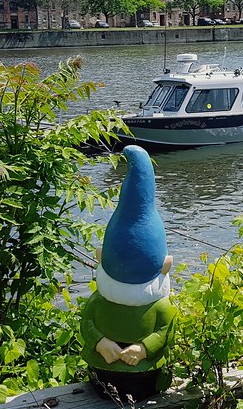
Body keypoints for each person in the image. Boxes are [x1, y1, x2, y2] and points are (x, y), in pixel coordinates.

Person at [80, 146, 176, 401]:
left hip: (146, 374)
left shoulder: (160, 306)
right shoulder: (99, 302)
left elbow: (165, 330)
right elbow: (87, 324)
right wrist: (100, 342)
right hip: (102, 370)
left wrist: (144, 348)